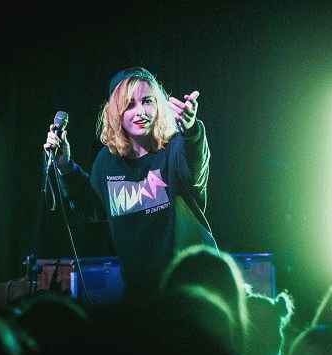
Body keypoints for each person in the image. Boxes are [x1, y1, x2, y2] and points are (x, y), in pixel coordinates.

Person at [43, 67, 217, 305]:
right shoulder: (107, 160)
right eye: (129, 105)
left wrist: (192, 130)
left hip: (192, 290)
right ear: (116, 112)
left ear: (159, 105)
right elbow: (93, 208)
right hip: (140, 293)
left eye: (147, 101)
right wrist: (64, 165)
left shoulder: (174, 146)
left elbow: (195, 173)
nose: (140, 112)